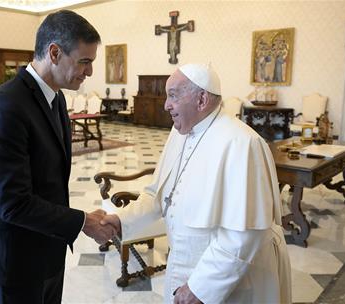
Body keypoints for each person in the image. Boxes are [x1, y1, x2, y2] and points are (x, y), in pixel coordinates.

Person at [101, 63, 292, 303]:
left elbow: (243, 234)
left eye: (173, 96)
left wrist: (202, 288)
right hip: (181, 268)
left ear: (201, 99)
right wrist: (121, 219)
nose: (165, 105)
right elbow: (157, 194)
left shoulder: (242, 144)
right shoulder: (179, 132)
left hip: (226, 281)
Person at [0, 10, 118, 304]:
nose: (89, 72)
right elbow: (12, 204)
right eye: (84, 62)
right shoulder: (5, 107)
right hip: (16, 259)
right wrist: (83, 222)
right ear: (54, 52)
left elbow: (48, 181)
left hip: (48, 248)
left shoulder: (56, 97)